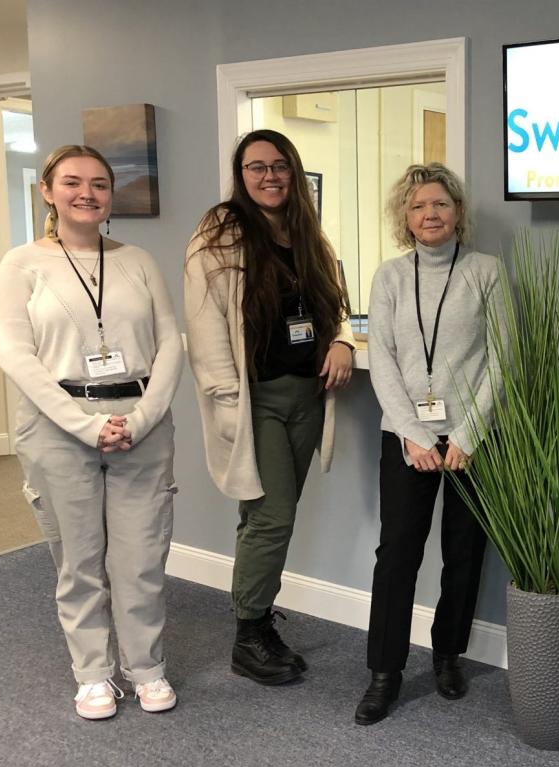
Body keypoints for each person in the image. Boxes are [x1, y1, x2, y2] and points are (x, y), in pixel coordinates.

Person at [0, 144, 183, 719]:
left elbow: (171, 341)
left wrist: (143, 416)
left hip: (139, 423)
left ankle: (146, 667)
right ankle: (93, 673)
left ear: (110, 195)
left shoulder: (139, 261)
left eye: (99, 183)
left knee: (140, 558)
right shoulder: (21, 264)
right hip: (57, 426)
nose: (87, 193)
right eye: (72, 182)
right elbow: (15, 355)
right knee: (78, 559)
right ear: (48, 190)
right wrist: (85, 425)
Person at [184, 129, 356, 686]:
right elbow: (206, 326)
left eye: (280, 166)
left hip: (306, 397)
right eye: (256, 167)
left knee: (262, 517)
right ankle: (249, 633)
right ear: (241, 175)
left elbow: (337, 308)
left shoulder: (310, 236)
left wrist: (343, 341)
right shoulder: (220, 234)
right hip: (254, 398)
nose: (269, 176)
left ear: (294, 171)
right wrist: (227, 401)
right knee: (273, 515)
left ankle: (254, 619)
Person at [355, 163, 499, 726]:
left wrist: (467, 434)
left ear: (458, 212)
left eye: (440, 204)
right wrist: (414, 435)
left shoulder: (487, 271)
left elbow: (502, 359)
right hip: (406, 438)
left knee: (464, 554)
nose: (430, 214)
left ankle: (447, 655)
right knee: (397, 557)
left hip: (472, 439)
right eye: (418, 207)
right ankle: (383, 673)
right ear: (405, 218)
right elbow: (383, 361)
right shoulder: (390, 277)